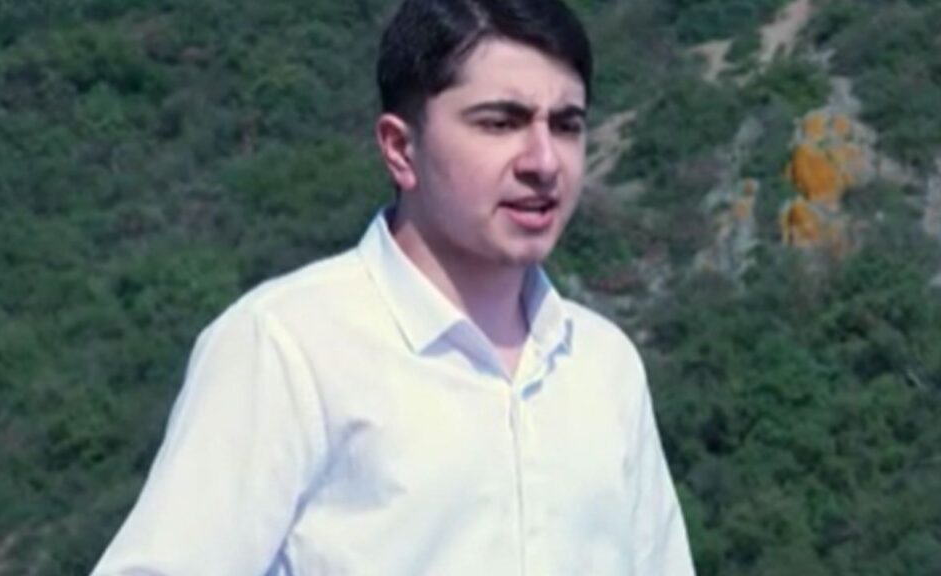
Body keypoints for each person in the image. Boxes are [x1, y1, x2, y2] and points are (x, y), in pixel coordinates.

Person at [92, 0, 696, 573]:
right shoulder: (288, 346)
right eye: (500, 123)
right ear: (401, 148)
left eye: (566, 126)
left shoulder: (603, 365)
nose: (543, 161)